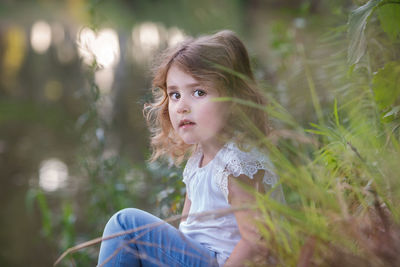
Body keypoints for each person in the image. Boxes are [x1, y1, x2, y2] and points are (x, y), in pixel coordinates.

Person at [97, 30, 284, 267]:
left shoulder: (235, 162)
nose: (181, 106)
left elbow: (257, 239)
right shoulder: (200, 158)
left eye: (198, 92)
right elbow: (187, 230)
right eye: (175, 95)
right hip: (200, 257)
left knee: (125, 225)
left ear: (234, 100)